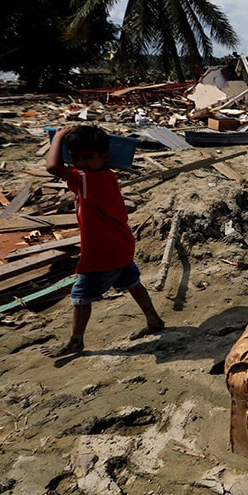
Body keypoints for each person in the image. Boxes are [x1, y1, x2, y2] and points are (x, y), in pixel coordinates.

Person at [42, 125, 164, 357]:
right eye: (75, 157)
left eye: (88, 157)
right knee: (132, 283)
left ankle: (76, 341)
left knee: (80, 297)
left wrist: (57, 137)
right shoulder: (108, 175)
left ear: (105, 156)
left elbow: (52, 167)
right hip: (121, 245)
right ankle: (154, 320)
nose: (80, 163)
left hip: (102, 253)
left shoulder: (88, 181)